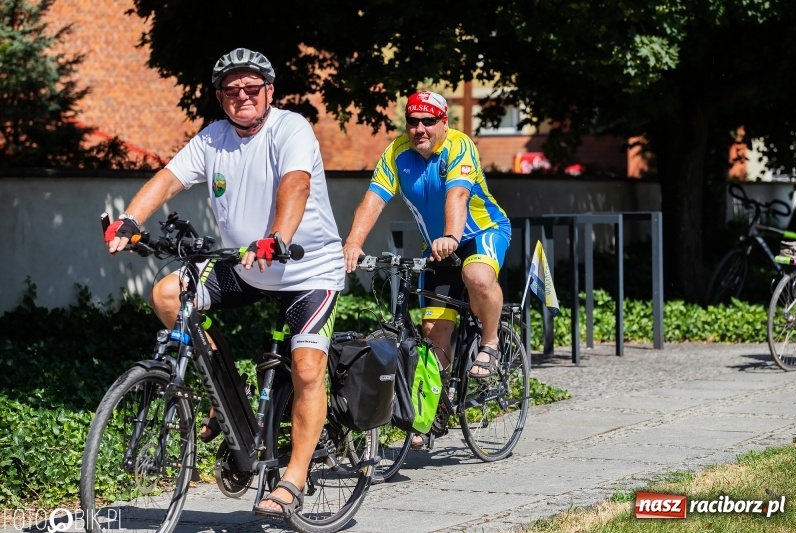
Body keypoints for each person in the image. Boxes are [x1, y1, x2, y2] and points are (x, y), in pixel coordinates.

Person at [104, 47, 344, 519]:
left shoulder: (290, 128)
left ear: (269, 91)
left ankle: (293, 478)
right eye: (232, 90)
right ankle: (224, 396)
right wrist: (129, 220)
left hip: (306, 266)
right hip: (245, 263)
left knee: (308, 368)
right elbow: (169, 180)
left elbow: (295, 185)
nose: (242, 96)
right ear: (220, 97)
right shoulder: (213, 139)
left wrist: (278, 237)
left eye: (252, 88)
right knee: (167, 293)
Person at [342, 90, 512, 447]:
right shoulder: (397, 152)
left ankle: (492, 340)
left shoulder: (459, 145)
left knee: (477, 276)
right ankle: (435, 406)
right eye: (413, 121)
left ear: (443, 122)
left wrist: (451, 235)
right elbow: (373, 199)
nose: (420, 128)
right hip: (438, 247)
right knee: (434, 331)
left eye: (428, 121)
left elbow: (458, 196)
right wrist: (353, 244)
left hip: (480, 232)